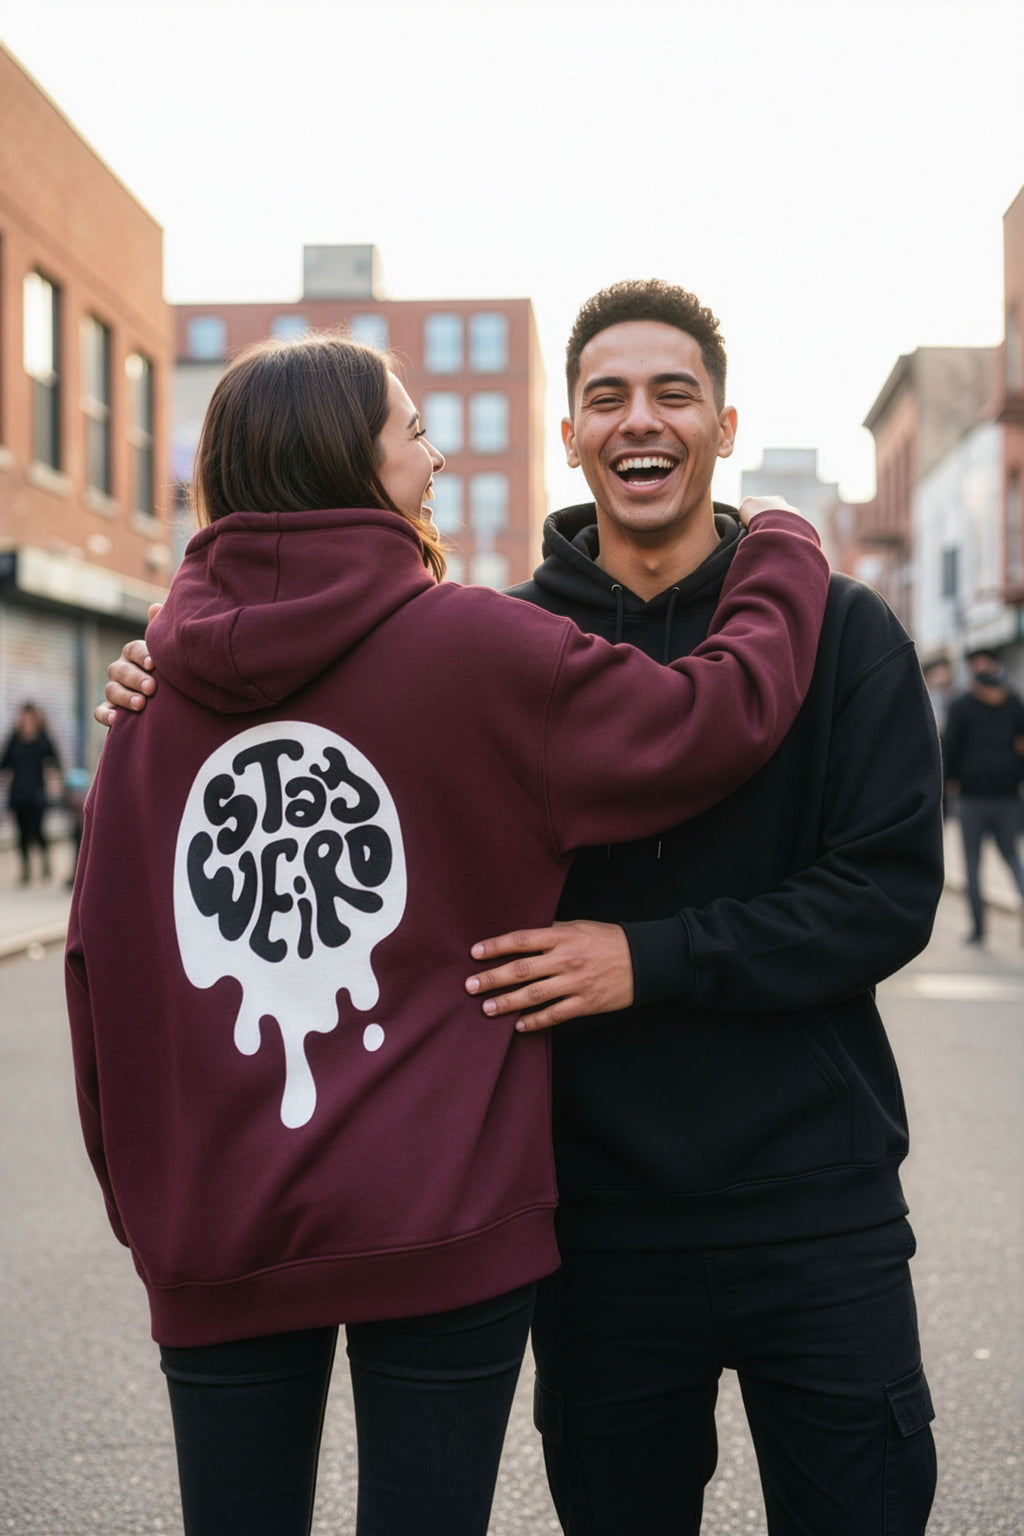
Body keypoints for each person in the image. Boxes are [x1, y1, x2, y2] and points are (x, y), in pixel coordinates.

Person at [75, 330, 828, 1536]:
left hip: (214, 1223)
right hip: (443, 1212)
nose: (432, 461)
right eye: (413, 433)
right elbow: (716, 716)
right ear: (355, 466)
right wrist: (783, 542)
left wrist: (150, 1206)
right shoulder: (478, 647)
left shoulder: (152, 696)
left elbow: (96, 974)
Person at [456, 282, 944, 1535]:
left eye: (673, 393)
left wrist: (649, 959)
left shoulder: (843, 634)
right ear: (567, 431)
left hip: (818, 1209)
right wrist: (170, 672)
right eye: (606, 396)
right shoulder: (501, 648)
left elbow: (881, 896)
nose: (641, 420)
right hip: (599, 1227)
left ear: (724, 426)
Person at [941, 649, 1024, 944]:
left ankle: (978, 928)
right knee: (1012, 856)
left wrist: (945, 790)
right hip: (1006, 794)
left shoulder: (961, 705)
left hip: (974, 796)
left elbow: (949, 749)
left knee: (973, 864)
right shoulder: (1014, 703)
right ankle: (981, 924)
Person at [1, 700, 61, 884]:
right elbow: (5, 764)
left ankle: (45, 863)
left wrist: (55, 778)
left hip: (37, 792)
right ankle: (26, 870)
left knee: (38, 831)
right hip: (19, 792)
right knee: (21, 833)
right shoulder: (15, 738)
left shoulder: (42, 738)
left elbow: (54, 761)